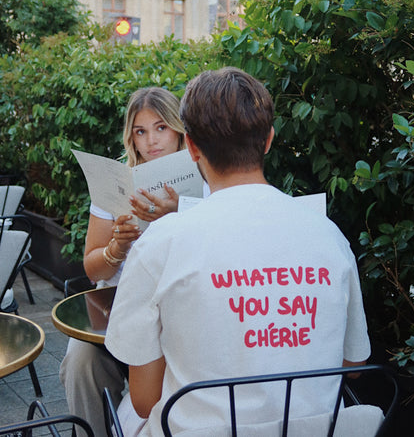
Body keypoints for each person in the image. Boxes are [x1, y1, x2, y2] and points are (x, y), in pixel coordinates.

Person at [105, 67, 371, 437]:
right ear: (268, 141)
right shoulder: (329, 236)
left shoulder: (160, 243)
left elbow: (145, 402)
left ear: (192, 147)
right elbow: (354, 363)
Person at [59, 87, 186, 437]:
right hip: (119, 306)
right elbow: (91, 267)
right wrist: (117, 247)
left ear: (178, 129)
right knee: (80, 359)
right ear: (131, 136)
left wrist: (179, 214)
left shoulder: (204, 179)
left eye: (161, 128)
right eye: (140, 131)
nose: (152, 141)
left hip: (180, 306)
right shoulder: (116, 183)